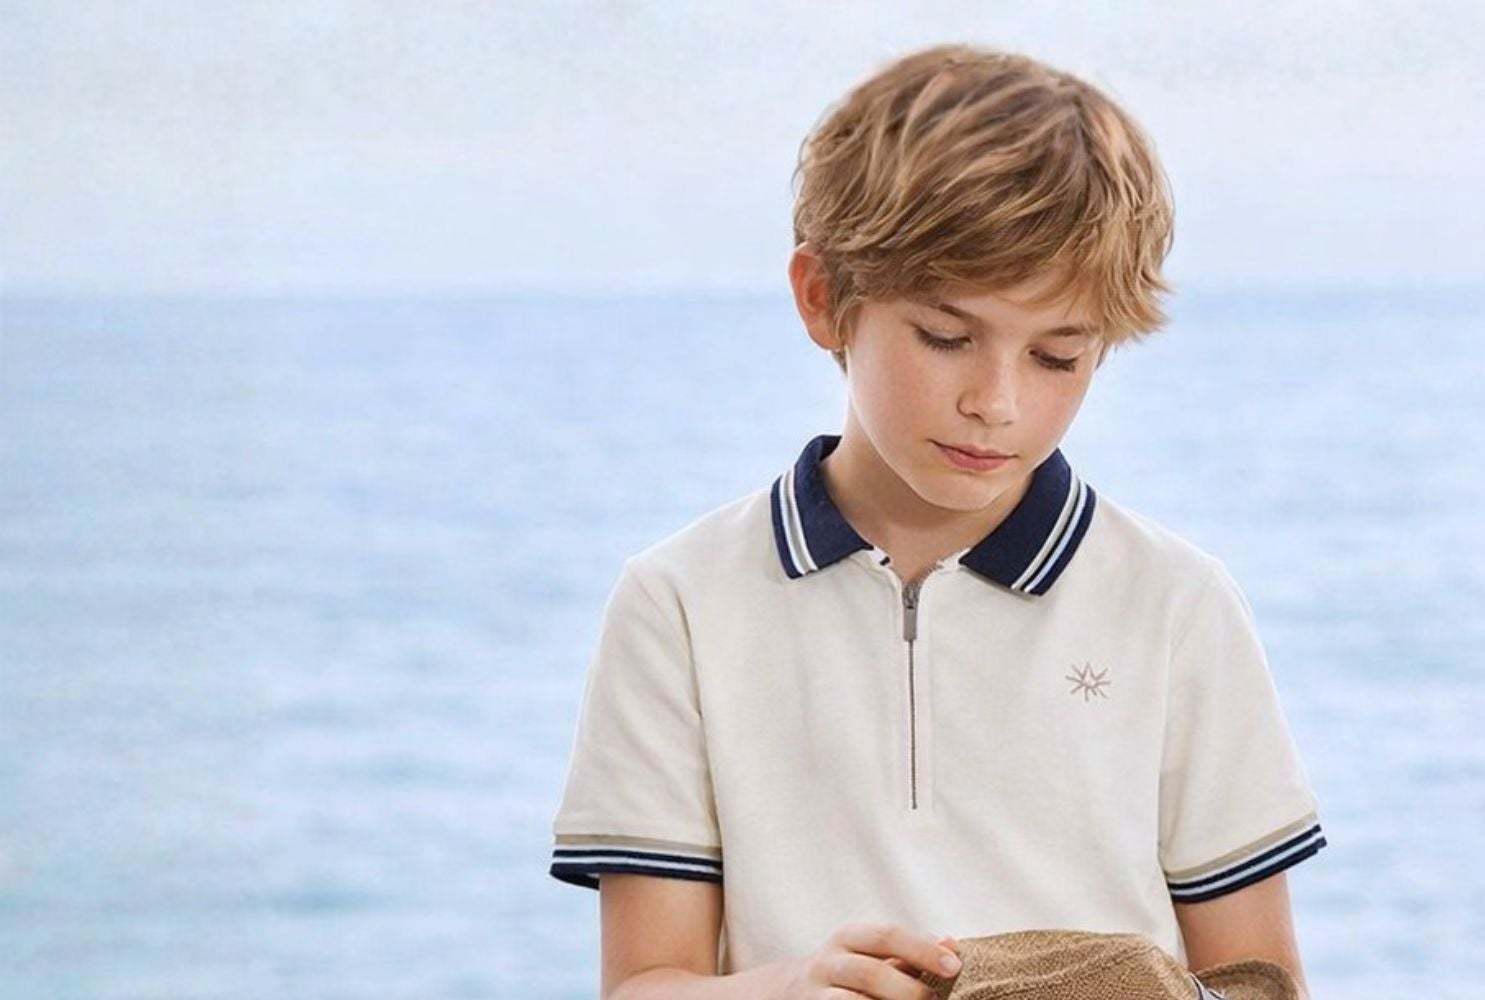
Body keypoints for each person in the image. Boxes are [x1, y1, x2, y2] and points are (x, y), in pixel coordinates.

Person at [550, 45, 1324, 1000]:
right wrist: (796, 988)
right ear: (824, 299)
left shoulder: (1177, 604)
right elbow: (641, 987)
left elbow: (1261, 981)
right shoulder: (679, 604)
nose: (996, 402)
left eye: (1057, 356)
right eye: (947, 338)